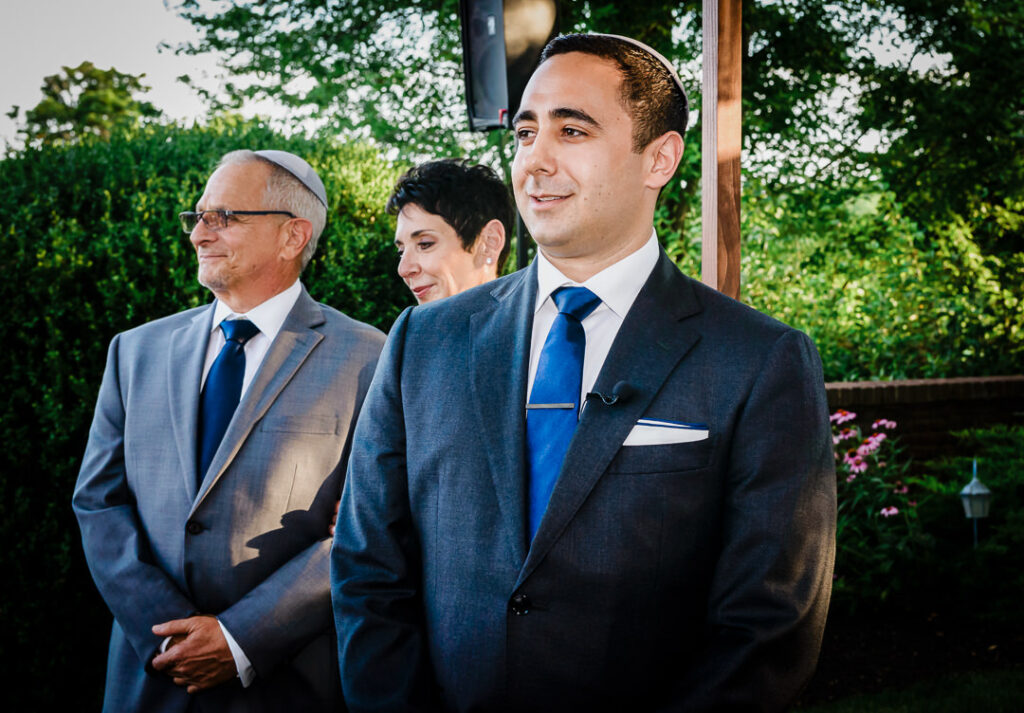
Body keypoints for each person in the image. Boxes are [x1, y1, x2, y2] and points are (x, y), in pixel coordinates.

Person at [332, 33, 836, 713]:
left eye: (572, 130)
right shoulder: (425, 340)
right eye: (525, 133)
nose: (535, 160)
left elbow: (768, 627)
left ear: (659, 157)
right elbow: (369, 571)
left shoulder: (758, 360)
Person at [73, 149, 385, 712]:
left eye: (225, 217)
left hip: (288, 682)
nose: (199, 234)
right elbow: (98, 502)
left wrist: (241, 638)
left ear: (293, 236)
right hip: (152, 678)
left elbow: (369, 527)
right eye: (197, 217)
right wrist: (167, 634)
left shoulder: (369, 357)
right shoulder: (135, 351)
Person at [388, 158, 513, 304]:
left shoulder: (532, 324)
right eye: (401, 252)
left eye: (425, 244)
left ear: (489, 242)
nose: (403, 269)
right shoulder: (410, 326)